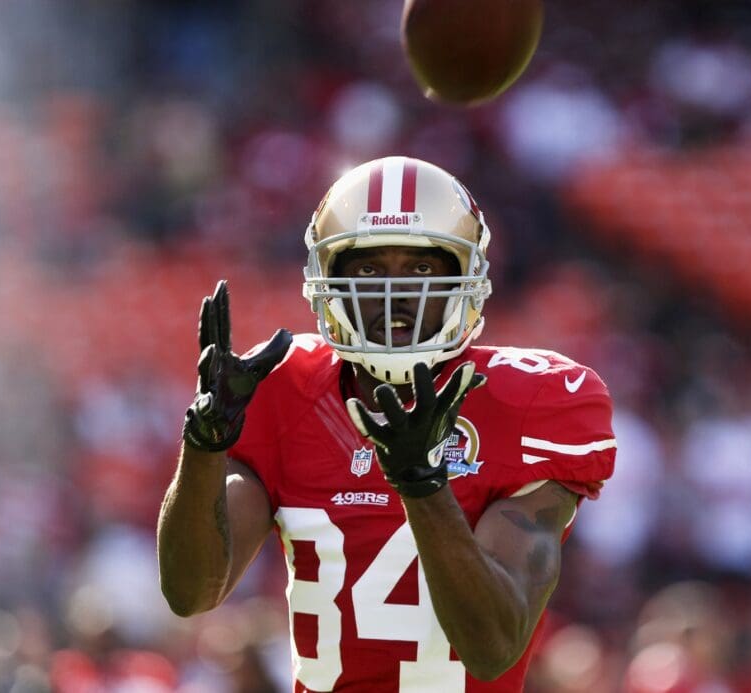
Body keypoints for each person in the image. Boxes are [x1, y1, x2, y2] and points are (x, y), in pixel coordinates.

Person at [156, 156, 617, 692]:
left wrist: (421, 483)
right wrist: (204, 446)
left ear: (465, 278)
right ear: (327, 279)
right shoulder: (286, 386)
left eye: (421, 268)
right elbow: (191, 592)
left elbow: (492, 646)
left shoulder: (534, 399)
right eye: (370, 268)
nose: (395, 292)